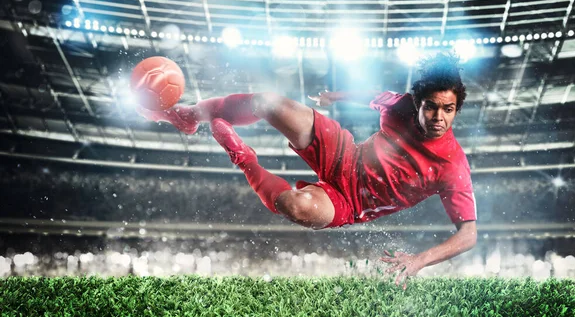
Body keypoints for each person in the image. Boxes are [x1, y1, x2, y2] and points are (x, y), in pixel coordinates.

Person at [135, 52, 477, 287]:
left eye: (448, 109)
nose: (438, 118)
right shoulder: (401, 104)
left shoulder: (452, 165)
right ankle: (188, 116)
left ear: (456, 108)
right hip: (345, 155)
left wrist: (418, 260)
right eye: (431, 107)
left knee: (297, 206)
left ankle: (243, 157)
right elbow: (373, 95)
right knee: (270, 103)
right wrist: (335, 97)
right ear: (418, 102)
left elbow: (468, 235)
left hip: (351, 203)